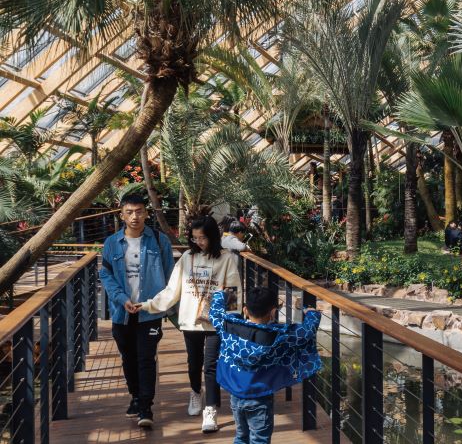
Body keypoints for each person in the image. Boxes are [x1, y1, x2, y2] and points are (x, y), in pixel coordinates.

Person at [142, 215, 243, 433]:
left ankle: (211, 409)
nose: (199, 242)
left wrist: (231, 319)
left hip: (215, 321)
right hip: (190, 320)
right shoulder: (187, 258)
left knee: (211, 365)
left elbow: (234, 291)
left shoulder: (226, 259)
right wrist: (148, 305)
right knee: (193, 362)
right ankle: (196, 392)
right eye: (195, 238)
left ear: (213, 238)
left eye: (203, 238)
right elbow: (172, 290)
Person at [102, 190, 175, 428]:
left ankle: (146, 406)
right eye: (129, 212)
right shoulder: (112, 243)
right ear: (122, 215)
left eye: (139, 211)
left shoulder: (159, 240)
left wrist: (161, 304)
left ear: (146, 213)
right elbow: (106, 275)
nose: (135, 216)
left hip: (149, 312)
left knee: (146, 358)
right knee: (128, 358)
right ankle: (135, 396)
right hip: (122, 312)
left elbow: (169, 275)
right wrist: (121, 298)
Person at [211, 286, 320, 444]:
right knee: (260, 439)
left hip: (235, 395)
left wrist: (221, 295)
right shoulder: (278, 335)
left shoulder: (228, 326)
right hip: (260, 398)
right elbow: (306, 332)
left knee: (241, 436)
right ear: (274, 312)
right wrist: (312, 314)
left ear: (245, 310)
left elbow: (214, 313)